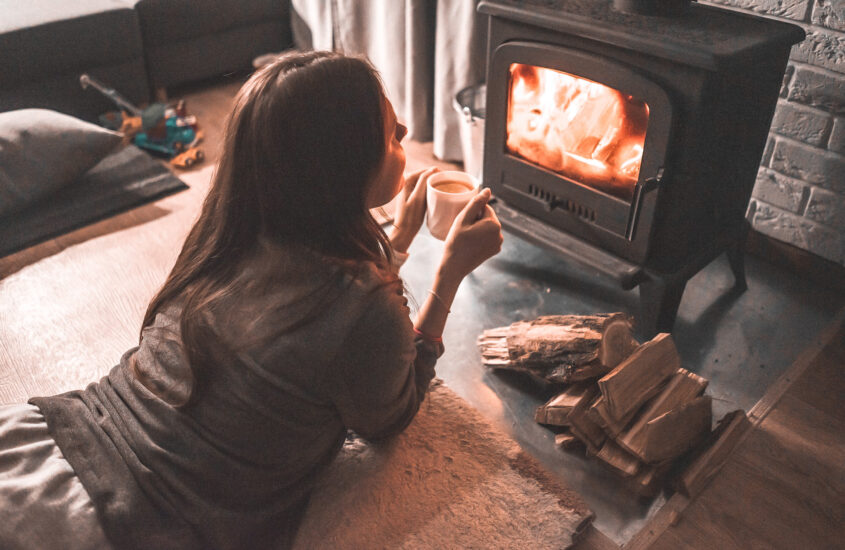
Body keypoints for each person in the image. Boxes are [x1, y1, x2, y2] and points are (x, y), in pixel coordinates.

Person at [0, 51, 502, 549]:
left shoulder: (228, 235)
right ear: (342, 166)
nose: (407, 132)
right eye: (391, 132)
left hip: (54, 439)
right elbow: (389, 417)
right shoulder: (363, 308)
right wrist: (449, 274)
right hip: (118, 520)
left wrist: (394, 248)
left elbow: (316, 320)